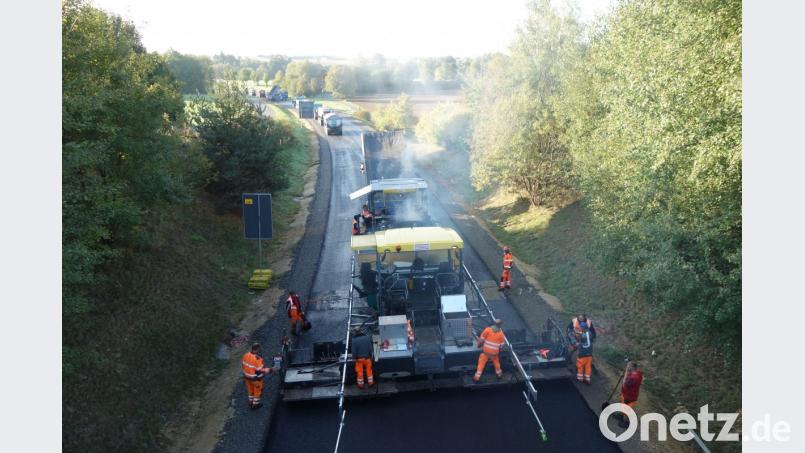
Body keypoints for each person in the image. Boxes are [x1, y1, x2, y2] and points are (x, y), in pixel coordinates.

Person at [241, 342, 274, 409]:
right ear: (257, 349)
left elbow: (243, 365)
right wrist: (270, 370)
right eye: (259, 348)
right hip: (255, 379)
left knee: (250, 390)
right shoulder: (257, 359)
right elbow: (260, 370)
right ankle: (255, 405)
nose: (260, 350)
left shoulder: (246, 355)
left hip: (247, 377)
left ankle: (250, 402)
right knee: (257, 391)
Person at [618, 362, 644, 426]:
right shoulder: (637, 373)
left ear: (632, 367)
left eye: (628, 366)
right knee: (623, 405)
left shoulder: (634, 378)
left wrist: (626, 373)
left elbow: (624, 385)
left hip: (630, 396)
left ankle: (626, 422)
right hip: (627, 394)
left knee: (628, 409)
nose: (627, 367)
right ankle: (621, 415)